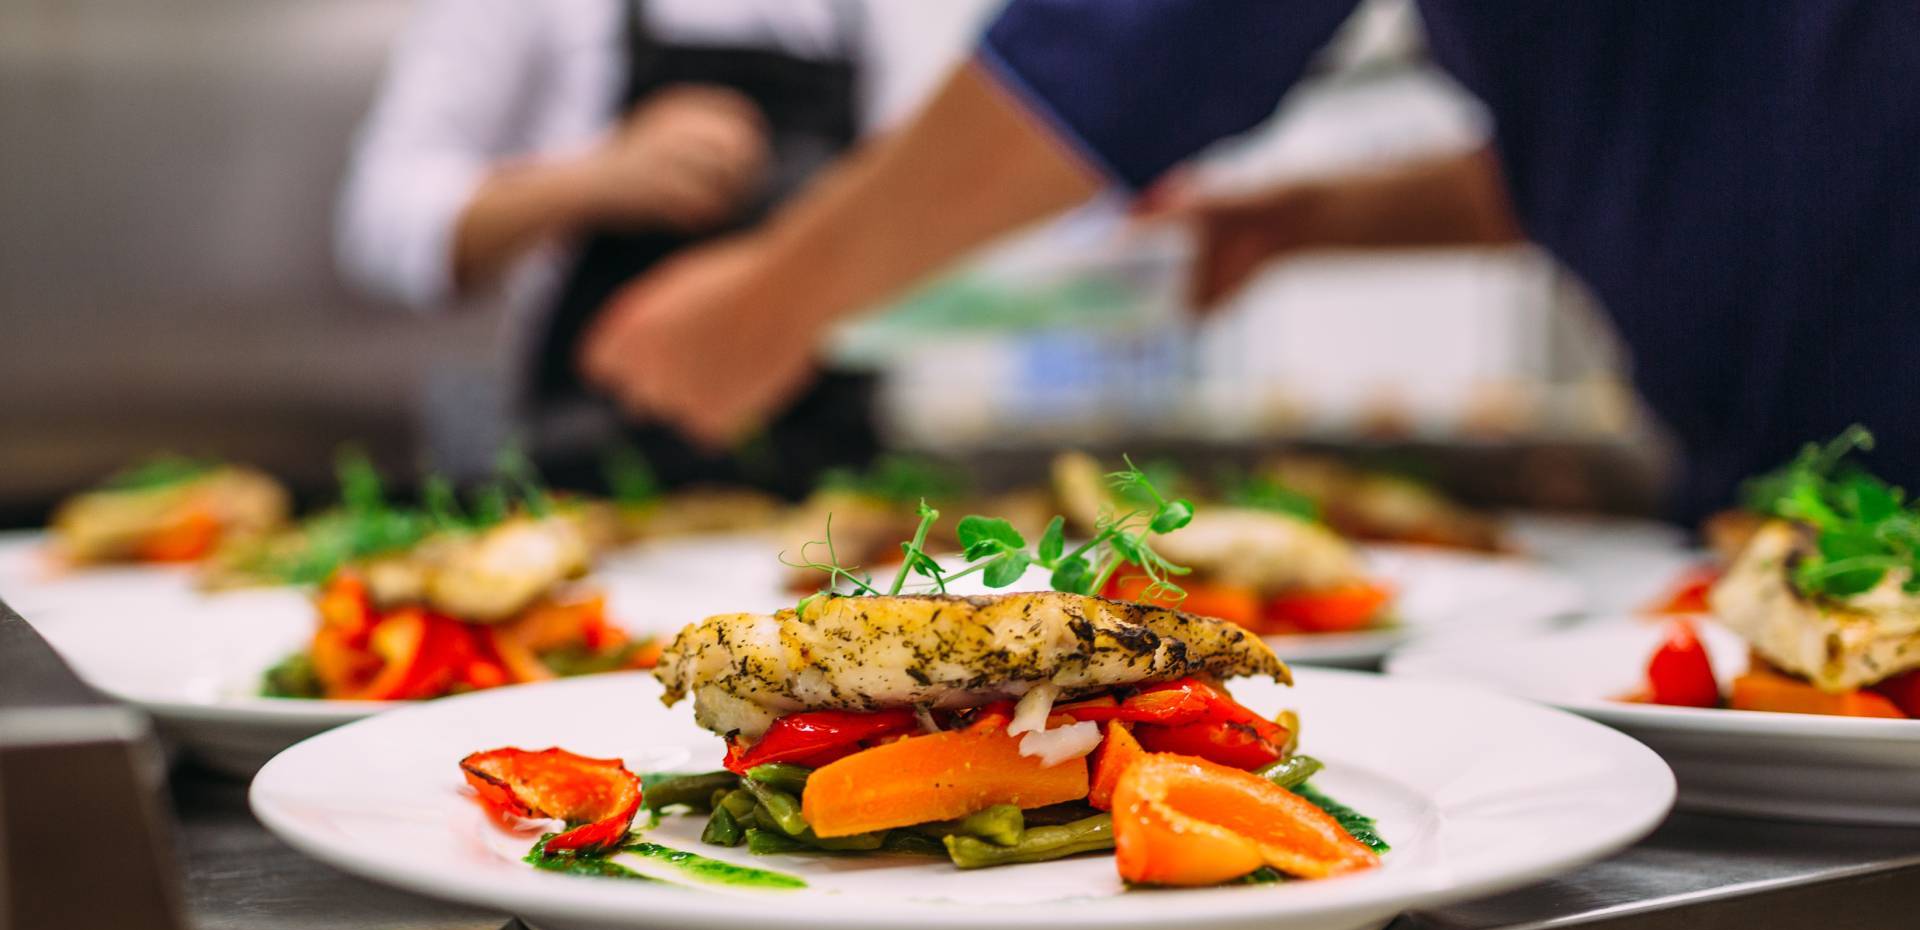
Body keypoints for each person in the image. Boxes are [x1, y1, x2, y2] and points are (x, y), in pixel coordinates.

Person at [582, 1, 1920, 520]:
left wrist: (772, 302)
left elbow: (1138, 36)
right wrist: (1323, 218)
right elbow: (1672, 122)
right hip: (1802, 509)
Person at [336, 0, 903, 494]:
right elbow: (380, 224)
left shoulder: (848, 11)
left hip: (833, 481)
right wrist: (595, 177)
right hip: (595, 468)